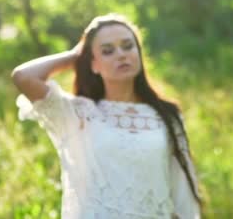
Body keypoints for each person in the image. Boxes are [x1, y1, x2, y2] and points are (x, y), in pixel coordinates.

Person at [11, 13, 200, 219]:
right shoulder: (79, 114)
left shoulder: (166, 115)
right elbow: (23, 76)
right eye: (107, 51)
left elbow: (183, 192)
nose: (121, 54)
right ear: (94, 64)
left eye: (128, 46)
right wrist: (75, 55)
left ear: (139, 53)